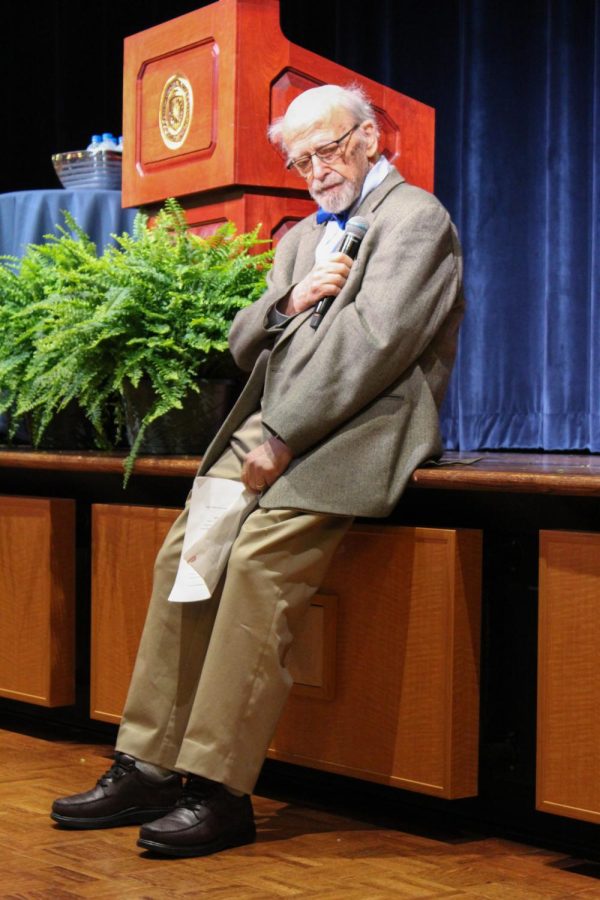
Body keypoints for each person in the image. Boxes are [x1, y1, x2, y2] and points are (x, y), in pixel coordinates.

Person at [51, 83, 465, 858]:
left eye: (329, 149)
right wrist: (287, 304)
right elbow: (247, 340)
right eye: (299, 158)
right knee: (186, 555)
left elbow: (371, 349)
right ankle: (148, 762)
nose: (315, 168)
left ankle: (218, 787)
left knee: (258, 564)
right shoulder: (303, 238)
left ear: (371, 139)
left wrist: (280, 433)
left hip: (359, 430)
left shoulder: (418, 220)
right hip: (277, 428)